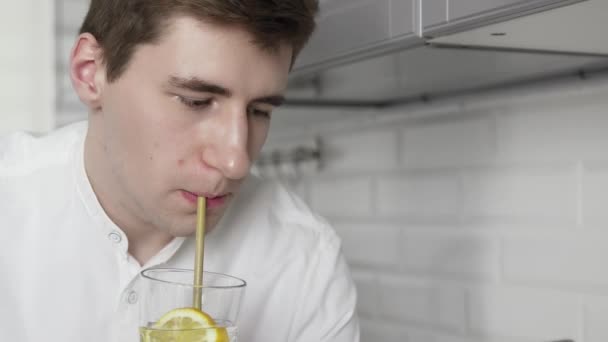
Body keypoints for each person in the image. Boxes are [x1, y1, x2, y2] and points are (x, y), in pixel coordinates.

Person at [0, 1, 360, 341]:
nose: (236, 161)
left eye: (259, 111)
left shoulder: (305, 260)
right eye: (195, 102)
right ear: (90, 72)